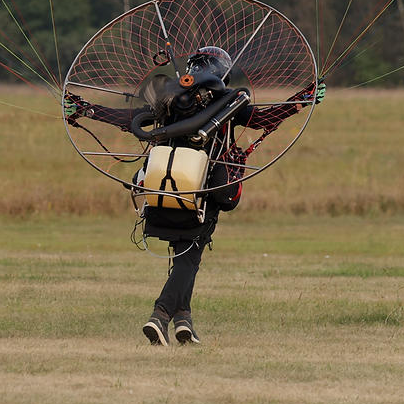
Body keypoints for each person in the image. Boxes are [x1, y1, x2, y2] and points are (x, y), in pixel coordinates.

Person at [64, 45, 323, 346]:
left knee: (184, 254)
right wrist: (301, 100)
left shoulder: (170, 101)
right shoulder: (229, 101)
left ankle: (183, 321)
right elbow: (264, 119)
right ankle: (160, 315)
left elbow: (128, 118)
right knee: (189, 257)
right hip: (202, 191)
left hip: (161, 187)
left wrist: (85, 109)